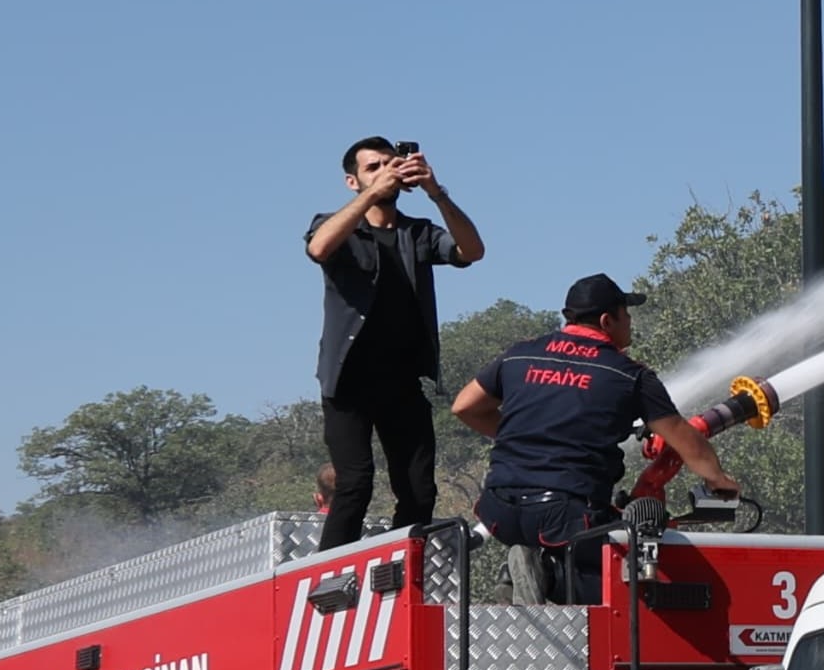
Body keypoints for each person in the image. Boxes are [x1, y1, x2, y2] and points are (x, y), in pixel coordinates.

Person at [453, 276, 741, 587]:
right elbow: (684, 439)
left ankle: (523, 574)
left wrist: (521, 438)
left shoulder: (520, 355)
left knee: (579, 542)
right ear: (606, 321)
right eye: (626, 313)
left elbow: (464, 407)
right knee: (635, 573)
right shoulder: (629, 374)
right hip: (565, 516)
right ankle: (548, 575)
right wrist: (719, 480)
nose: (630, 320)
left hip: (499, 510)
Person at [307, 136, 485, 549]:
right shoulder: (336, 225)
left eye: (391, 163)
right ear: (352, 181)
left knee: (419, 490)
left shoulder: (417, 233)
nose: (386, 171)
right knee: (354, 485)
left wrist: (436, 191)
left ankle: (401, 569)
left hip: (402, 382)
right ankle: (330, 576)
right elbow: (318, 248)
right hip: (348, 382)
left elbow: (472, 251)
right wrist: (373, 193)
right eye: (373, 167)